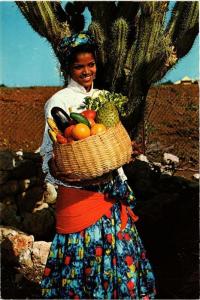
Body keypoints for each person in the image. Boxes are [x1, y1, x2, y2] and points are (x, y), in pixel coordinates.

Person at [40, 32, 156, 299]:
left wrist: (128, 149)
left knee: (118, 261)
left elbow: (114, 142)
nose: (86, 71)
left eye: (90, 64)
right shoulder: (58, 102)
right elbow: (49, 159)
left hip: (112, 194)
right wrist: (72, 175)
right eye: (79, 66)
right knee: (82, 265)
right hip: (80, 198)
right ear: (67, 67)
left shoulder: (105, 98)